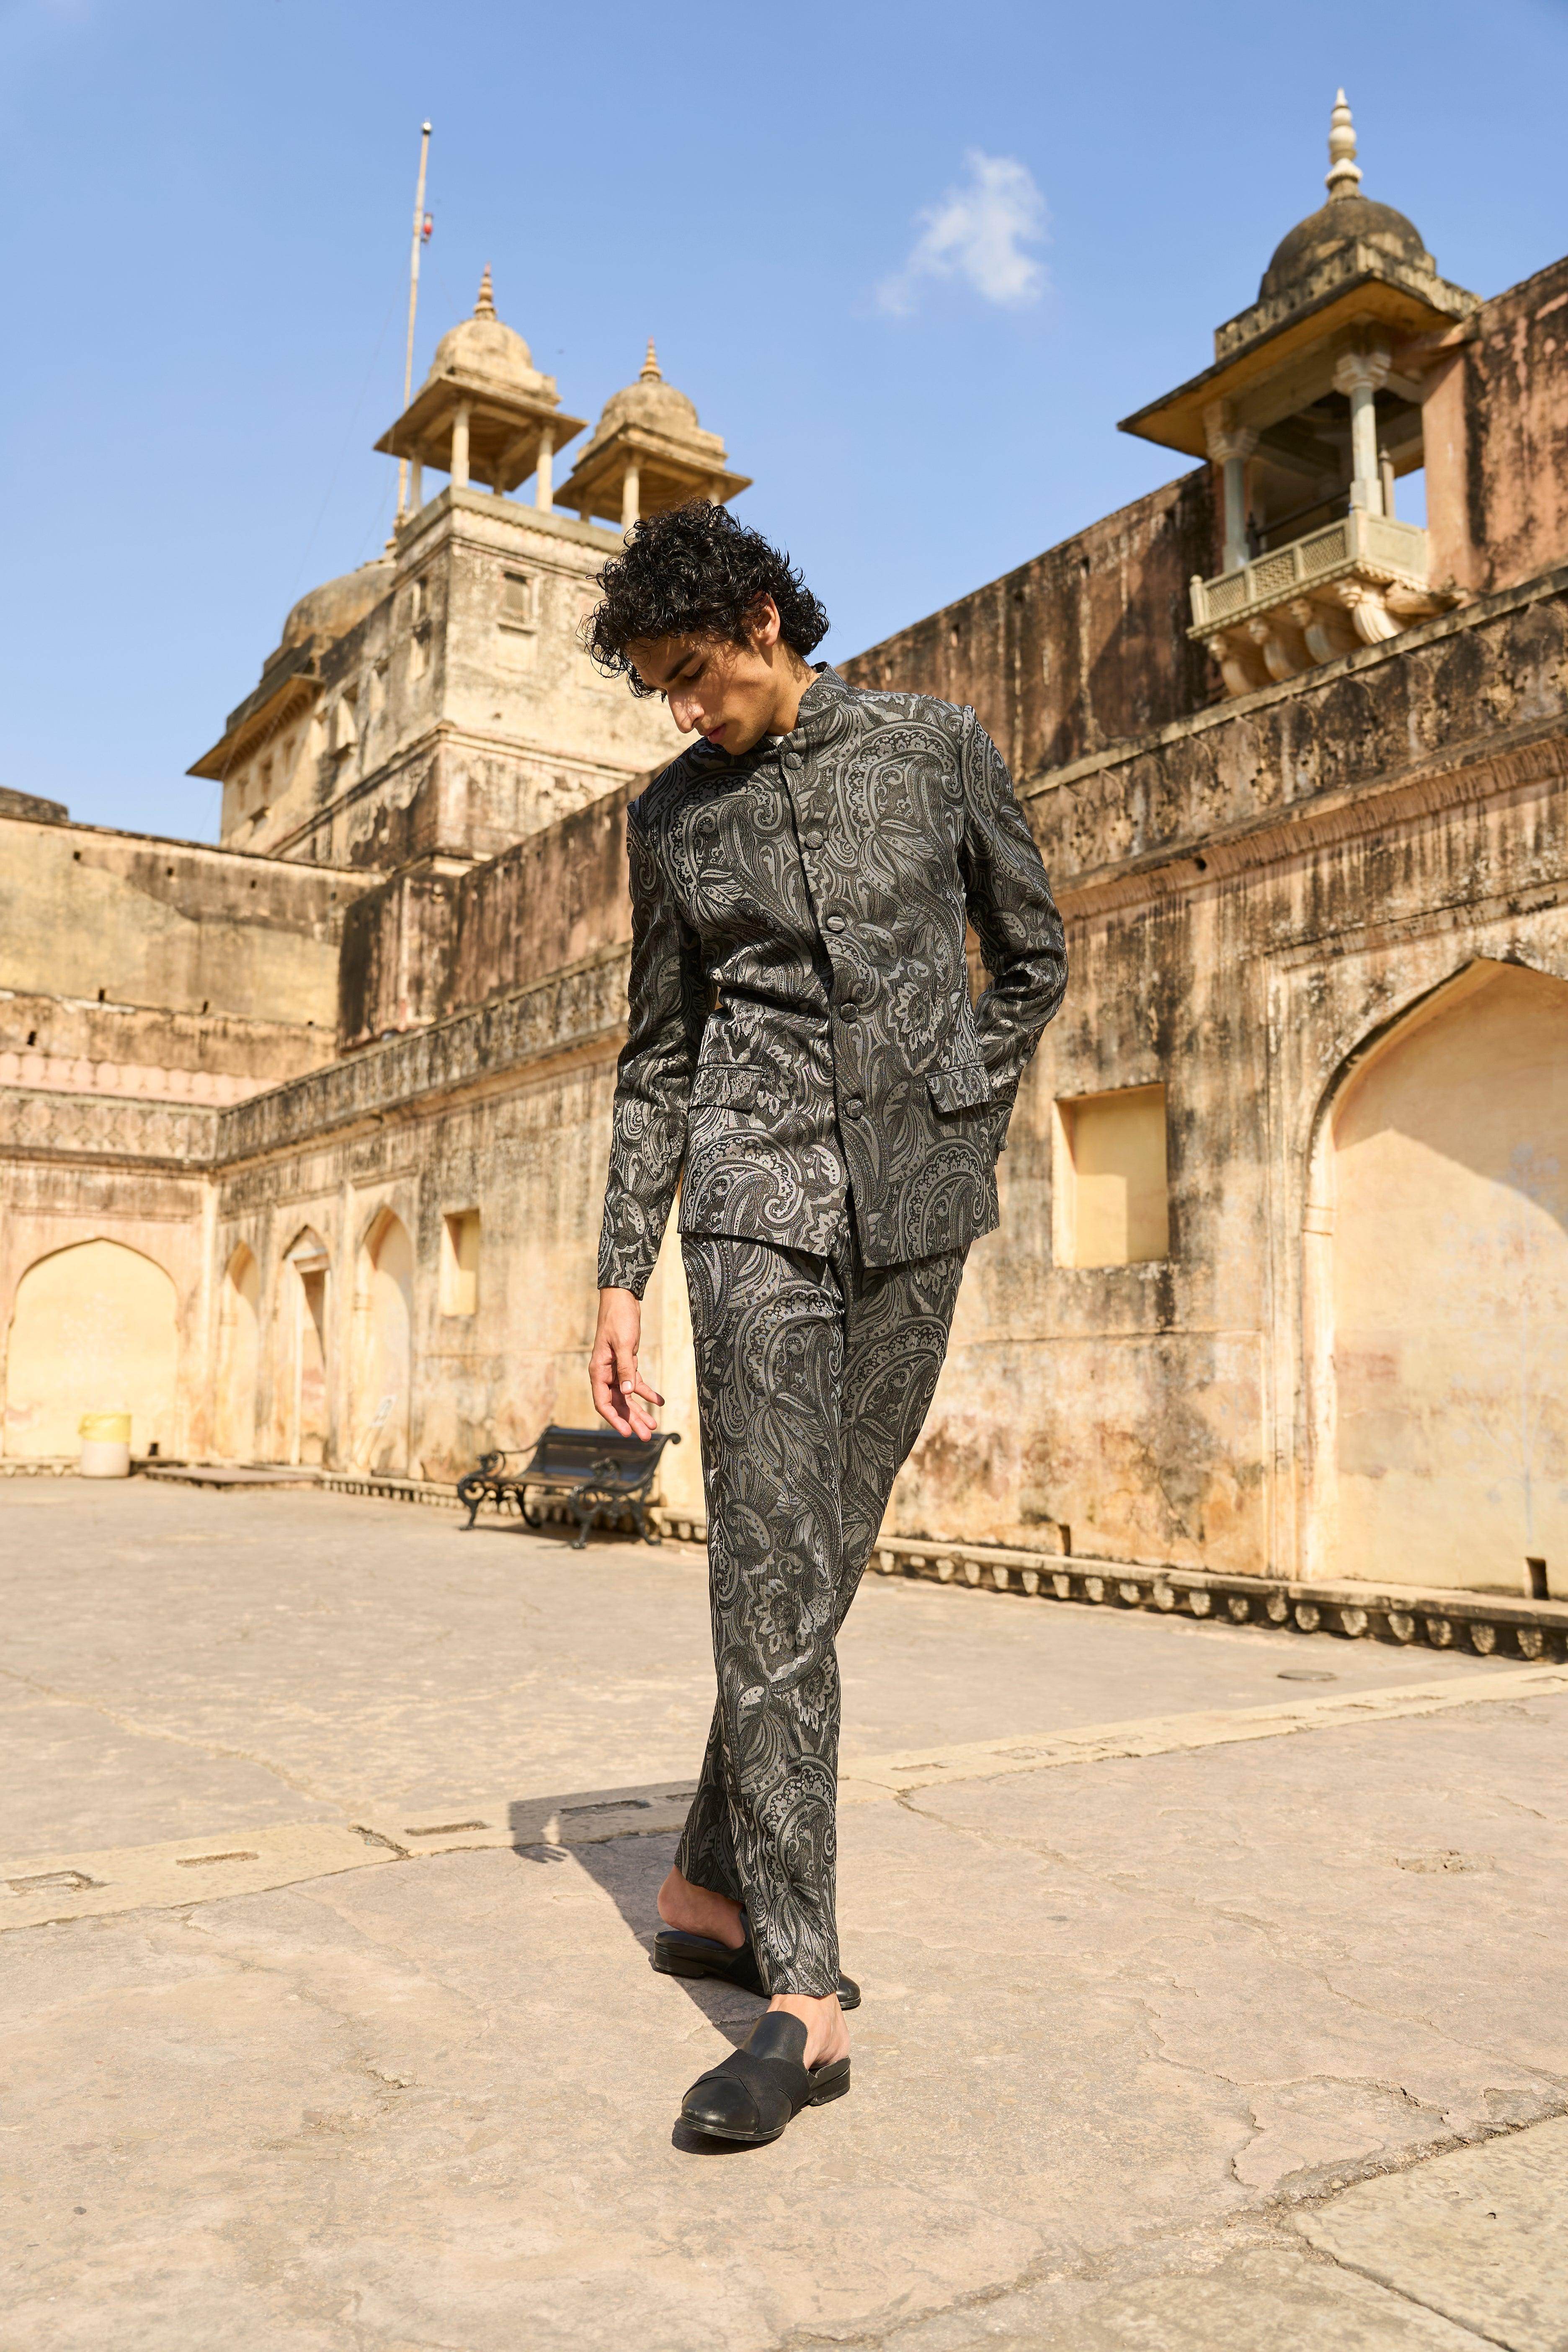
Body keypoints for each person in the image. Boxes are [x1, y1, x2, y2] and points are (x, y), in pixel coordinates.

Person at [587, 502, 1066, 2147]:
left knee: (821, 1564)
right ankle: (802, 1996)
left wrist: (959, 1105)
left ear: (766, 624)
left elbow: (1032, 954)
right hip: (753, 1199)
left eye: (694, 672)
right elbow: (660, 1053)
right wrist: (620, 1271)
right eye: (658, 688)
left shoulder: (935, 751)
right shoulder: (673, 818)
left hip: (916, 1211)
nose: (683, 709)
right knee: (768, 1570)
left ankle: (705, 1884)